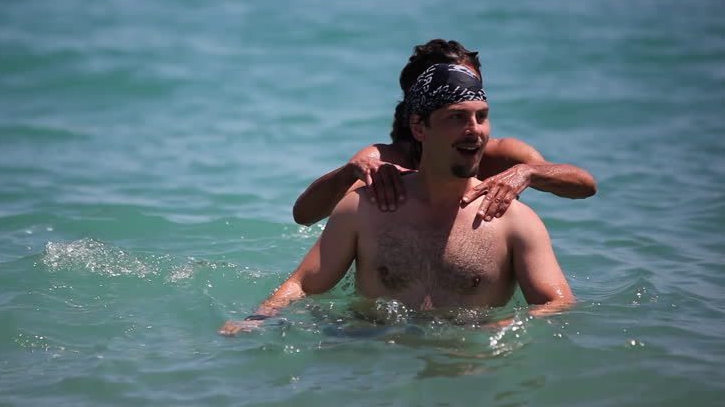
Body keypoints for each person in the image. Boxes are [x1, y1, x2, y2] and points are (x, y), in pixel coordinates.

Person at [221, 63, 575, 335]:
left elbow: (557, 303)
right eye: (457, 118)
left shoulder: (514, 221)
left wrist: (501, 328)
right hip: (373, 356)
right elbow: (304, 283)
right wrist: (257, 319)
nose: (474, 129)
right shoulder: (365, 207)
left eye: (481, 117)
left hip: (465, 366)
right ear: (420, 128)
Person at [292, 39, 596, 226]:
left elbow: (584, 185)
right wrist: (348, 173)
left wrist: (528, 173)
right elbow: (305, 215)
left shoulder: (503, 156)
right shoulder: (386, 159)